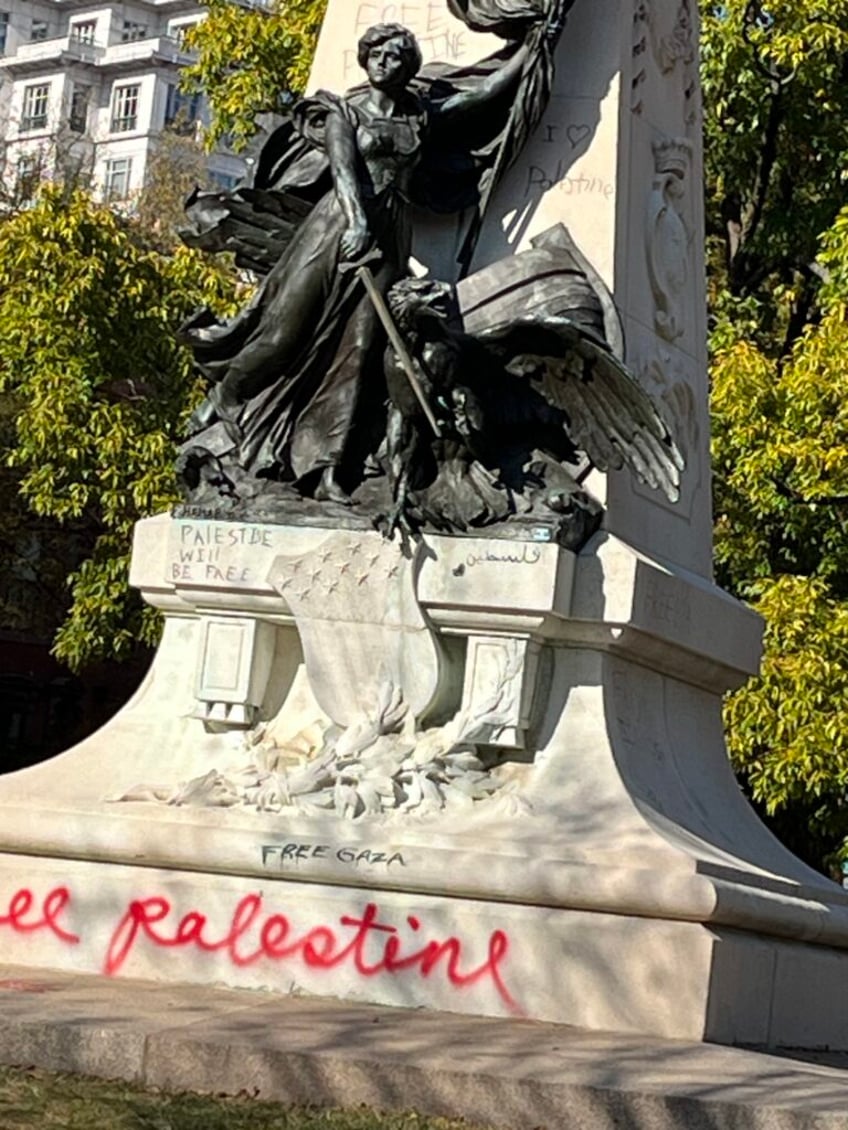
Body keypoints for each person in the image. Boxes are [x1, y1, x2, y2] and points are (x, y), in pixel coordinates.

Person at [180, 19, 560, 505]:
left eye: (397, 57)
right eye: (378, 55)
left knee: (359, 352)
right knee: (283, 331)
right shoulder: (345, 112)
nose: (386, 63)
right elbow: (343, 170)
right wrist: (356, 223)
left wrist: (532, 50)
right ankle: (227, 397)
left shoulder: (416, 116)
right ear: (366, 58)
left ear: (408, 66)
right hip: (336, 226)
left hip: (391, 231)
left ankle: (326, 468)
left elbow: (478, 98)